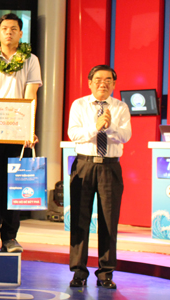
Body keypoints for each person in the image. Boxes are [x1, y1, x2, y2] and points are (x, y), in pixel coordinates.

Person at [0, 13, 42, 253]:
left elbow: (31, 95)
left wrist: (29, 129)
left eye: (14, 28)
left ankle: (10, 236)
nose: (9, 32)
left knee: (15, 184)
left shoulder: (31, 60)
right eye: (5, 28)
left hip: (18, 132)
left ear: (21, 34)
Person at [68, 65, 131, 289]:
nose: (102, 83)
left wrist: (110, 126)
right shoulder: (79, 104)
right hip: (84, 165)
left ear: (114, 84)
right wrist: (96, 127)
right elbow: (73, 133)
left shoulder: (121, 107)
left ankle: (105, 273)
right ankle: (78, 272)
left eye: (108, 80)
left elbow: (125, 136)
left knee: (109, 221)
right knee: (79, 221)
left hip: (110, 168)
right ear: (89, 82)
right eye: (98, 79)